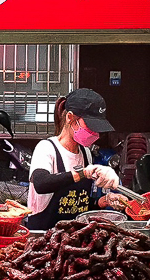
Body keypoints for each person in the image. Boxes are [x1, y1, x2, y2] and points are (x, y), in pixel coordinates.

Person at [27, 88, 126, 230]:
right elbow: (41, 183)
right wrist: (83, 173)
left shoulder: (85, 153)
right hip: (44, 238)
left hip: (73, 239)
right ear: (70, 117)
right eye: (90, 126)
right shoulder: (47, 148)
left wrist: (104, 201)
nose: (94, 133)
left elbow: (79, 203)